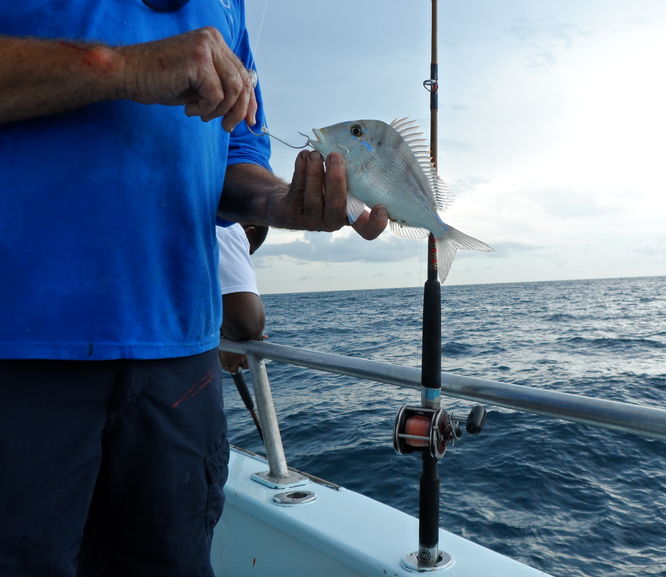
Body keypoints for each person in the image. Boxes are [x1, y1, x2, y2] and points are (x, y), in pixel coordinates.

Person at [0, 3, 388, 577]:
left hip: (183, 364)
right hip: (20, 352)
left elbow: (234, 156)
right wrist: (117, 67)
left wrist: (280, 204)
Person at [217, 223, 267, 373]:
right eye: (249, 251)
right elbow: (246, 326)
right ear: (249, 232)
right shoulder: (227, 229)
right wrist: (250, 338)